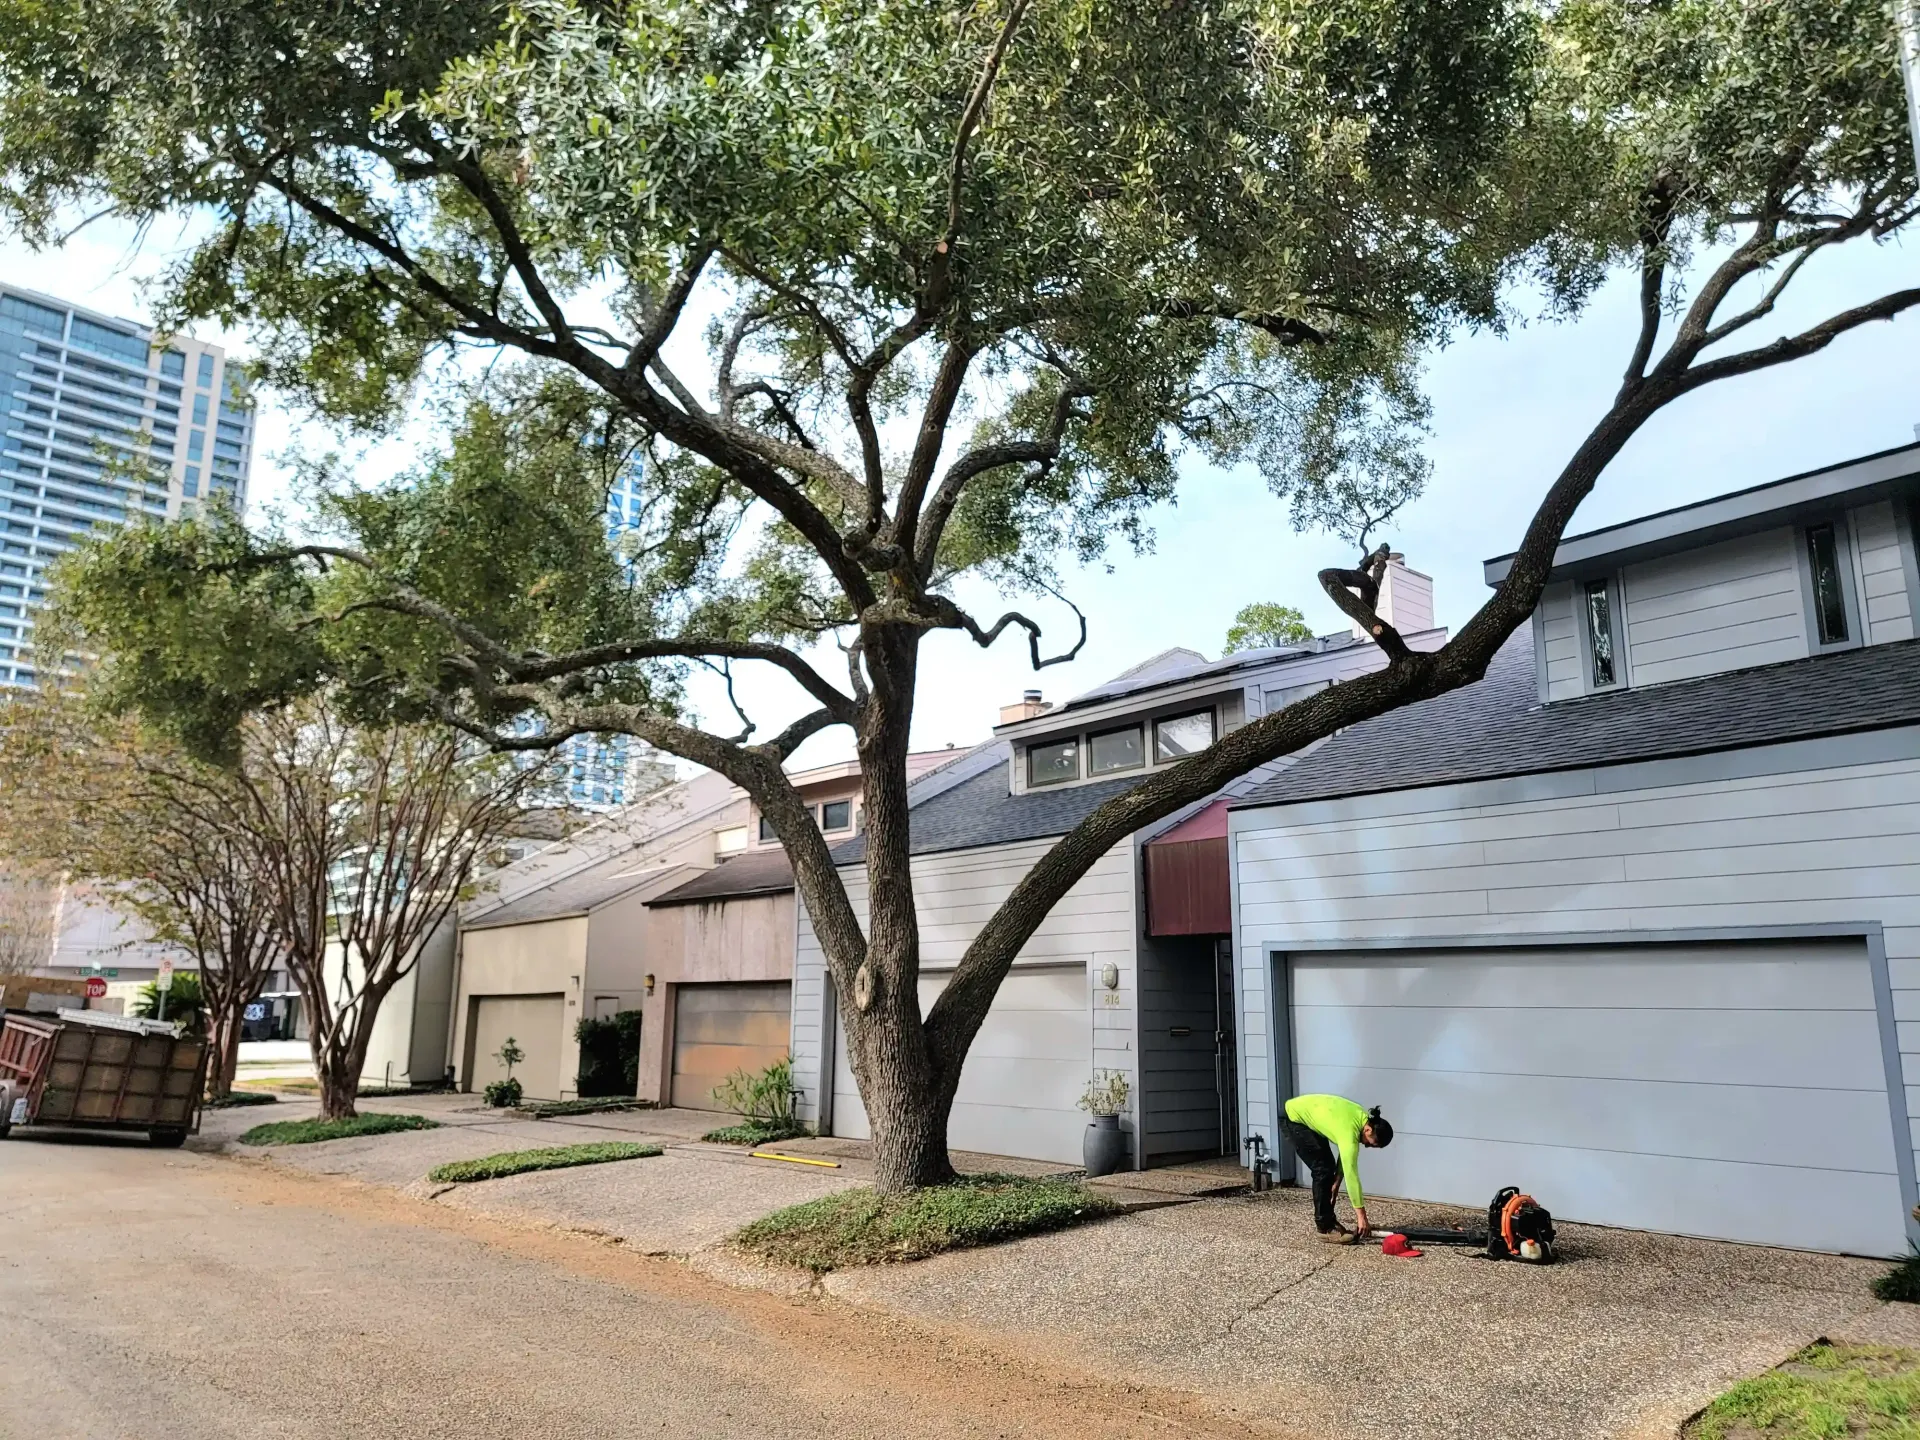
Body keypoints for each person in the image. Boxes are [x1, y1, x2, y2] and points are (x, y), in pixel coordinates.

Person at [1278, 1094, 1393, 1243]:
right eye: (1372, 1143)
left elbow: (1344, 1158)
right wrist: (1361, 1217)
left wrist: (1336, 1184)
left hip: (1303, 1116)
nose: (1367, 1146)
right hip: (1293, 1118)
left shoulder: (1361, 1118)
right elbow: (1352, 1175)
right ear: (1368, 1130)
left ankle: (1329, 1220)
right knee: (1322, 1169)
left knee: (1328, 1167)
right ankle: (1325, 1228)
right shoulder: (1350, 1131)